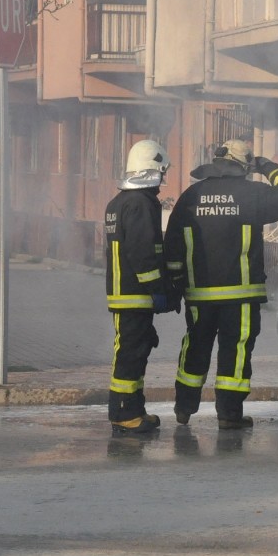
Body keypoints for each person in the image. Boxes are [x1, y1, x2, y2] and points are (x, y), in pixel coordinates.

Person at [164, 139, 278, 430]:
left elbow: (172, 244)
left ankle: (184, 408)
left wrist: (175, 285)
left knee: (195, 346)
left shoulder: (191, 196)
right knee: (235, 352)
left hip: (199, 295)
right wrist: (269, 167)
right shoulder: (252, 195)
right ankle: (229, 414)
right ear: (244, 166)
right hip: (241, 296)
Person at [105, 139, 177, 435]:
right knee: (130, 354)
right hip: (134, 295)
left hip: (127, 294)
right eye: (161, 173)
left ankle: (134, 409)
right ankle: (123, 413)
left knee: (137, 350)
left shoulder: (119, 201)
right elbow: (142, 252)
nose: (162, 181)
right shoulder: (139, 203)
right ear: (152, 170)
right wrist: (157, 289)